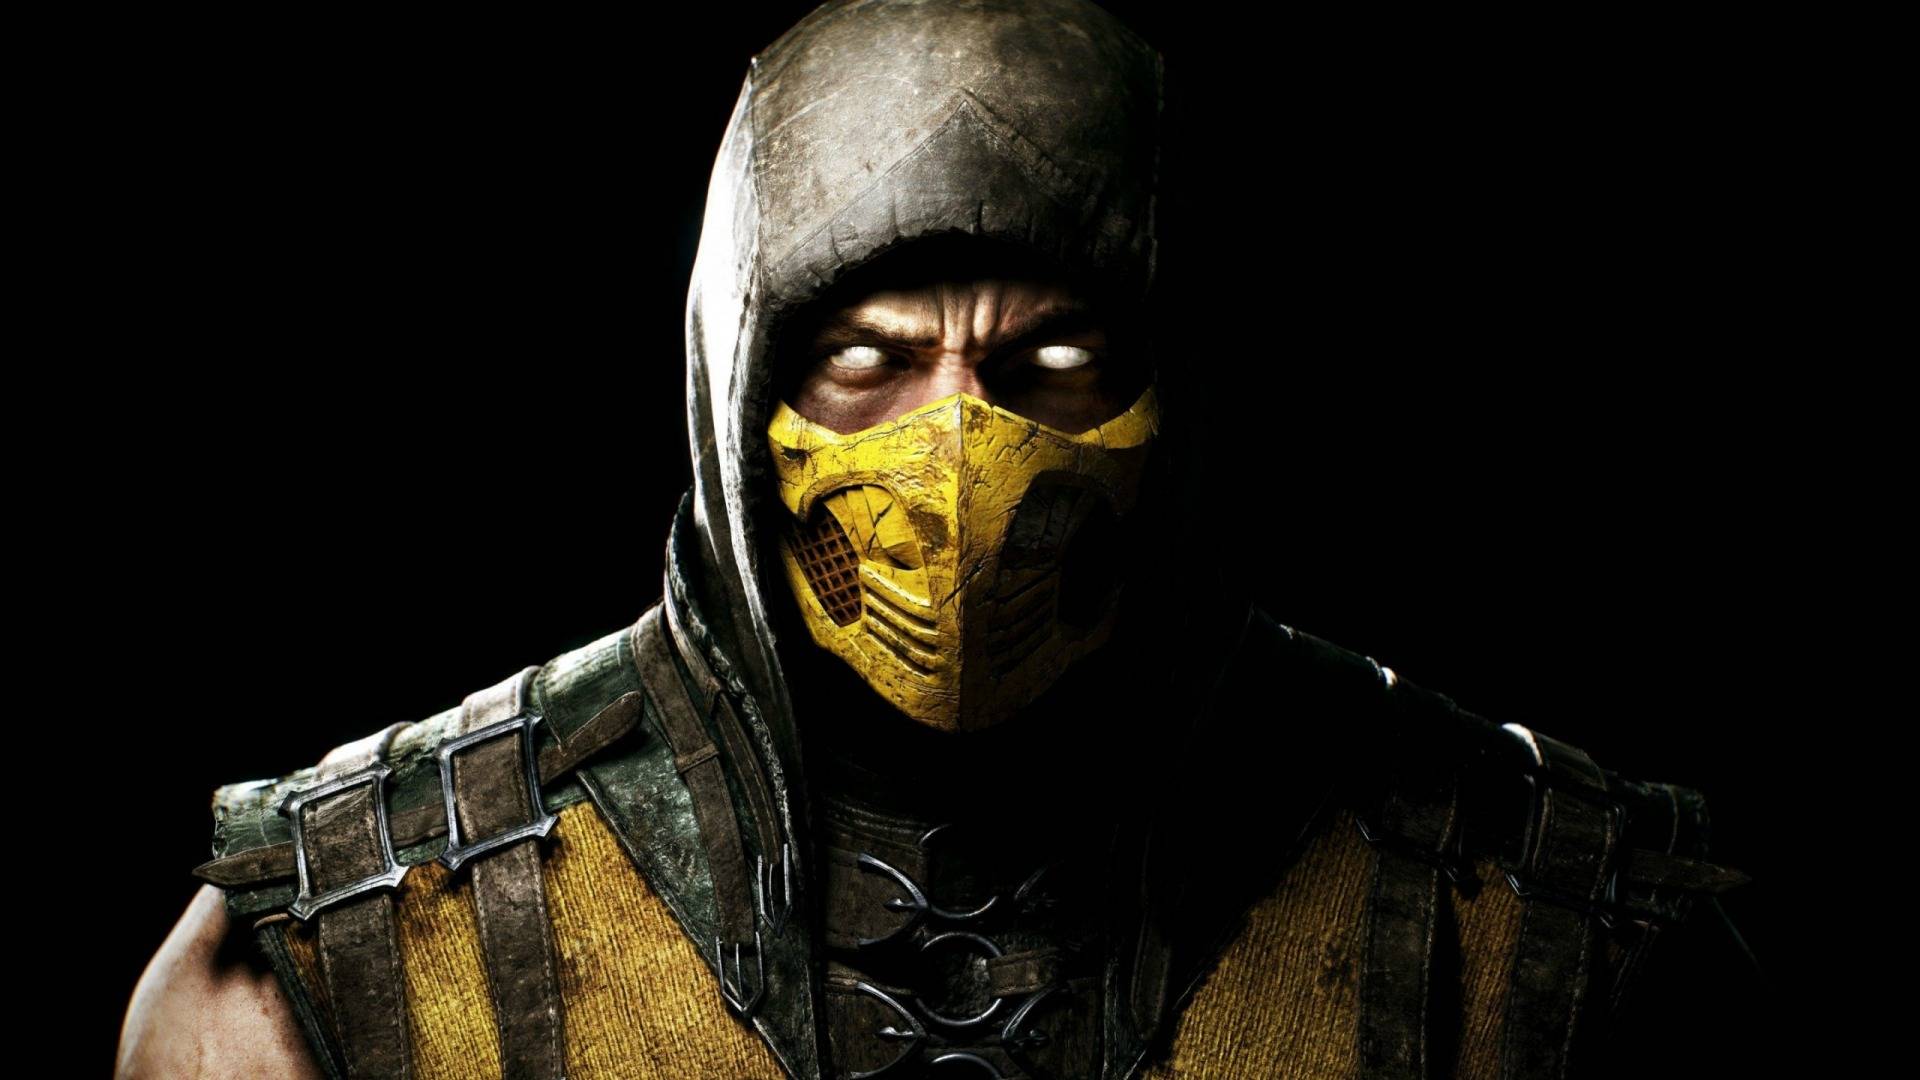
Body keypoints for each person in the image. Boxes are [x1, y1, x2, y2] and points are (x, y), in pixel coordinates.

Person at [116, 2, 1761, 1077]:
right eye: (867, 360)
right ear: (739, 386)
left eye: (1057, 361)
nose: (960, 445)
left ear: (1179, 390)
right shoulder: (343, 951)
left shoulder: (1549, 924)